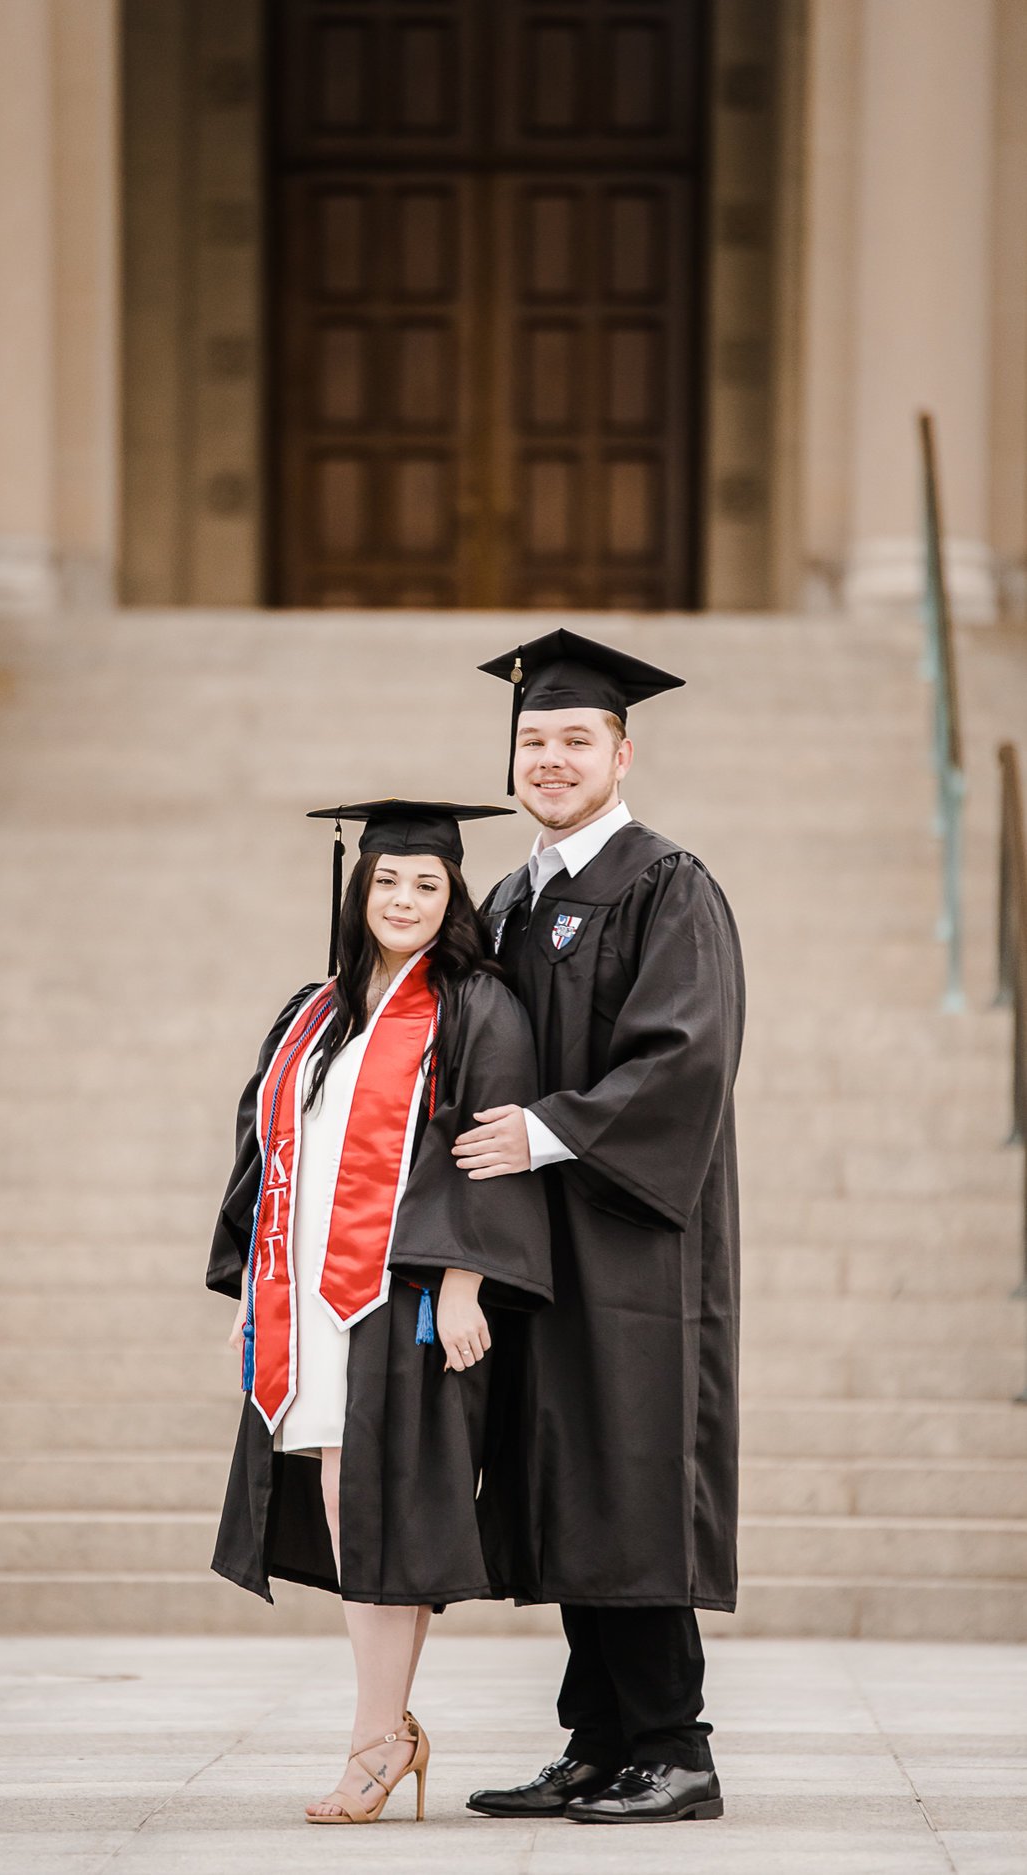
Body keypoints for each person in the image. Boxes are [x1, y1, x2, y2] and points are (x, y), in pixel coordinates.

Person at [209, 799, 553, 1825]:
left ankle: (374, 1741)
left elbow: (482, 1145)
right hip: (305, 1298)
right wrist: (251, 1291)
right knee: (346, 1507)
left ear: (451, 899)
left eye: (426, 884)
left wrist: (462, 1282)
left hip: (399, 1298)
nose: (402, 899)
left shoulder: (476, 1007)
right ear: (359, 888)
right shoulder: (312, 1010)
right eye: (388, 880)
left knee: (380, 1512)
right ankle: (387, 1733)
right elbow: (268, 1152)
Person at [456, 630, 745, 1826]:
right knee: (568, 1474)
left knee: (626, 1472)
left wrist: (546, 1132)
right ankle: (598, 1740)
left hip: (633, 1238)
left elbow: (687, 1055)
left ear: (622, 753)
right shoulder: (511, 898)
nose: (552, 759)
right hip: (538, 1241)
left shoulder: (665, 883)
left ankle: (675, 1749)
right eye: (534, 742)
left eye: (576, 740)